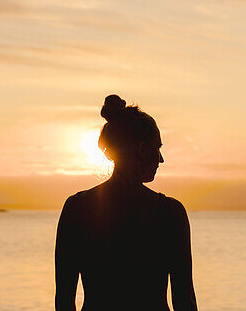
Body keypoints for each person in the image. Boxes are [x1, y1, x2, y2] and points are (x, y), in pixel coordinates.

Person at [55, 95, 198, 311]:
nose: (161, 159)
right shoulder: (170, 213)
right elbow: (185, 301)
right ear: (141, 149)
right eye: (157, 148)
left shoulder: (76, 208)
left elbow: (64, 301)